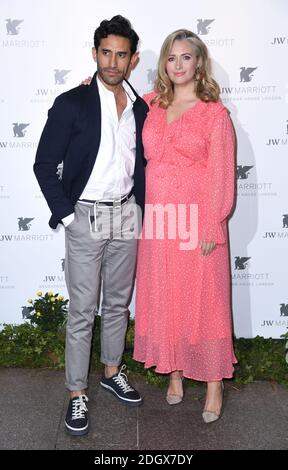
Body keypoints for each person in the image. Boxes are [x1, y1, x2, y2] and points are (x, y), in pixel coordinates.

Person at [34, 15, 148, 436]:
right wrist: (68, 217)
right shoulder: (72, 102)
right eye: (106, 52)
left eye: (121, 55)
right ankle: (76, 394)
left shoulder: (140, 106)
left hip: (126, 214)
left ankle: (112, 371)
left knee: (117, 304)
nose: (113, 62)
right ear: (94, 52)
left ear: (133, 60)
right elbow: (44, 164)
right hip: (85, 216)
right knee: (83, 310)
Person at [133, 29, 237, 423]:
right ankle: (173, 373)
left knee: (205, 301)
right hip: (159, 219)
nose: (178, 65)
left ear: (199, 62)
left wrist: (213, 224)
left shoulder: (215, 113)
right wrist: (90, 86)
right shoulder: (150, 104)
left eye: (186, 57)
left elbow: (223, 174)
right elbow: (113, 113)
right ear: (163, 63)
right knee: (165, 296)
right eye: (171, 58)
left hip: (199, 219)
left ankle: (214, 383)